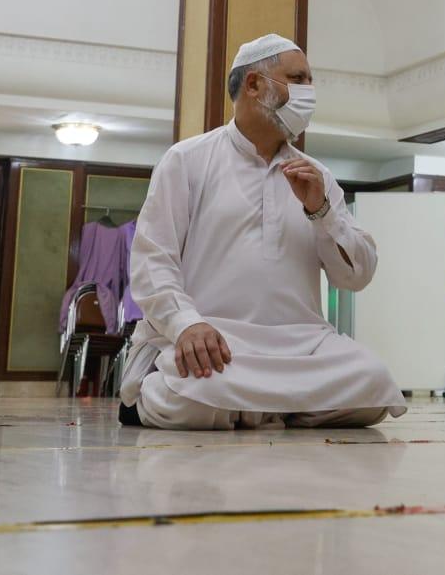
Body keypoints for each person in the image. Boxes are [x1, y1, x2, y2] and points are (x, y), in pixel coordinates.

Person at [118, 34, 406, 431]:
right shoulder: (186, 160)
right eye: (298, 79)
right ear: (253, 84)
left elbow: (356, 276)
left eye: (310, 81)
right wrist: (187, 324)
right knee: (191, 393)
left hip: (303, 345)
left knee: (372, 383)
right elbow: (153, 260)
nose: (309, 92)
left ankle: (252, 409)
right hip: (218, 338)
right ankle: (278, 406)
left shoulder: (318, 176)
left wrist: (321, 211)